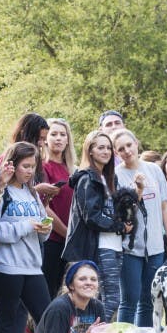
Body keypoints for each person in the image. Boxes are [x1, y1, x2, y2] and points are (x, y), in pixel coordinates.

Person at [0, 141, 52, 333]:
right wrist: (26, 226)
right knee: (7, 320)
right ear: (12, 165)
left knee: (46, 317)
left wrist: (44, 229)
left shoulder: (32, 193)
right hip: (7, 267)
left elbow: (41, 233)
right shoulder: (1, 192)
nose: (29, 171)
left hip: (33, 266)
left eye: (33, 167)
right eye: (25, 166)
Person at [112, 129, 167, 327]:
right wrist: (138, 191)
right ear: (116, 153)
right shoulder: (116, 175)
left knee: (149, 300)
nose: (127, 151)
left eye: (129, 145)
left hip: (156, 247)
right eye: (121, 149)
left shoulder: (154, 170)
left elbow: (165, 207)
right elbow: (125, 214)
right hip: (130, 248)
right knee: (129, 300)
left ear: (136, 143)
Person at [61, 130, 129, 320]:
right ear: (90, 150)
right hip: (99, 246)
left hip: (116, 245)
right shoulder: (87, 179)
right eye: (100, 147)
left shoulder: (111, 178)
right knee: (111, 299)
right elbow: (91, 216)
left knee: (103, 298)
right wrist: (119, 226)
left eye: (108, 148)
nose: (106, 151)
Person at [40, 117, 76, 298]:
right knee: (47, 291)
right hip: (51, 239)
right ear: (46, 139)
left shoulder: (73, 170)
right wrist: (66, 232)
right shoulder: (42, 167)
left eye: (63, 134)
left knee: (65, 293)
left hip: (69, 241)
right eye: (54, 134)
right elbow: (43, 206)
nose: (59, 138)